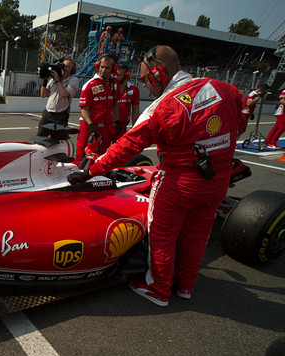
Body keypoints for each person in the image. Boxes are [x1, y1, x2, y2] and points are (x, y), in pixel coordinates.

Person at [67, 45, 246, 306]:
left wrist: (91, 171)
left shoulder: (164, 105)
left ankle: (158, 289)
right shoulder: (227, 89)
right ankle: (185, 287)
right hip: (217, 181)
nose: (144, 84)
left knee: (162, 235)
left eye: (144, 78)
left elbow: (126, 146)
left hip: (179, 182)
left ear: (158, 72)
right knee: (197, 237)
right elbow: (239, 125)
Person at [74, 53, 121, 163]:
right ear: (98, 66)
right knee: (80, 156)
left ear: (113, 69)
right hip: (88, 126)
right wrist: (91, 125)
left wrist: (117, 121)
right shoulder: (90, 84)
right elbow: (84, 109)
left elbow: (115, 104)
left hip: (104, 126)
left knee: (100, 158)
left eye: (107, 68)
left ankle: (93, 177)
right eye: (102, 67)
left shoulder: (115, 83)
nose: (104, 70)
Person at [37, 57, 79, 136]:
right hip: (48, 113)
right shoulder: (54, 78)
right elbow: (43, 95)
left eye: (68, 67)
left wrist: (57, 80)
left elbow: (64, 94)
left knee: (58, 140)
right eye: (64, 66)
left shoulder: (73, 80)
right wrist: (45, 80)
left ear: (72, 69)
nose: (65, 68)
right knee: (40, 138)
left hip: (61, 114)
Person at [114, 63, 140, 138]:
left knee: (120, 149)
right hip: (107, 126)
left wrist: (134, 128)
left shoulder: (133, 89)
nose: (116, 77)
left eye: (119, 75)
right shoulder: (109, 87)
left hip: (122, 127)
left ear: (126, 75)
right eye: (115, 74)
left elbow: (135, 109)